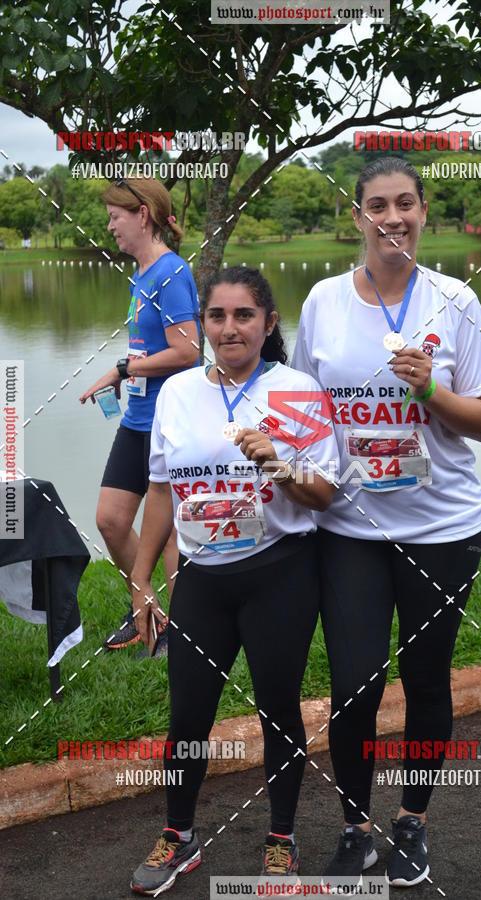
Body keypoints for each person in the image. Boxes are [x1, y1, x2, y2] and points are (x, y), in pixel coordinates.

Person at [291, 157, 481, 888]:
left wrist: (431, 389)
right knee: (354, 682)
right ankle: (356, 829)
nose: (393, 217)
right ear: (357, 218)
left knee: (426, 678)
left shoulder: (457, 300)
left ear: (423, 210)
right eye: (377, 204)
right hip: (349, 528)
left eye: (406, 202)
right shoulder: (321, 301)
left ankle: (411, 823)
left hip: (442, 529)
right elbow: (303, 416)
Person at [128, 266, 338, 895]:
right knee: (188, 712)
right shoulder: (178, 392)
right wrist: (142, 579)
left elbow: (325, 494)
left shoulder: (298, 390)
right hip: (200, 578)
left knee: (279, 710)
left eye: (244, 315)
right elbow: (161, 492)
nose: (228, 328)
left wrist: (281, 465)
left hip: (280, 573)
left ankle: (281, 839)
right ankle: (179, 835)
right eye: (216, 316)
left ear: (269, 323)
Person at [79, 178, 200, 656]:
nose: (109, 226)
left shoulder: (171, 273)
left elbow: (188, 351)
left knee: (167, 532)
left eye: (115, 216)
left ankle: (181, 632)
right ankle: (146, 611)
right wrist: (118, 372)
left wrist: (127, 367)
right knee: (110, 519)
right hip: (137, 417)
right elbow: (149, 349)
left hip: (165, 420)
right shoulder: (144, 274)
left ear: (143, 215)